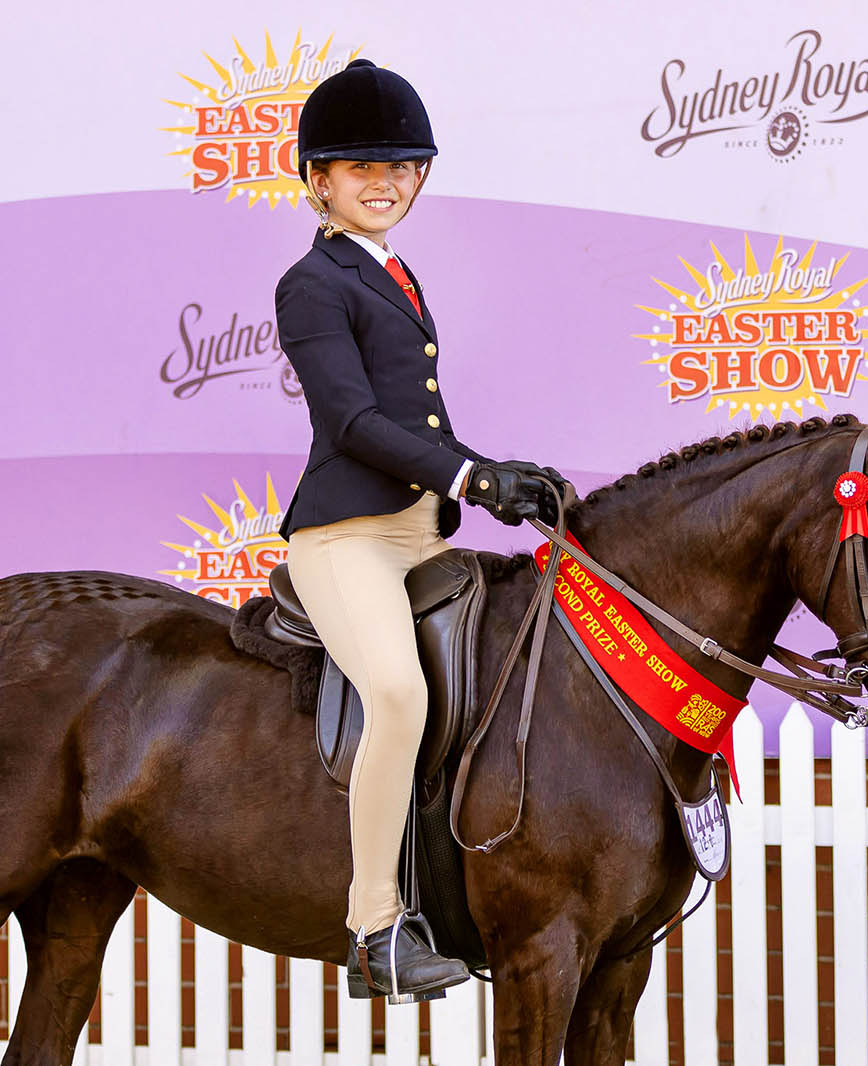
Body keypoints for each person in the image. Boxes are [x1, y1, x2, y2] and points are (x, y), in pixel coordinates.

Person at [275, 58, 564, 1002]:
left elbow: (420, 425)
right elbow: (355, 423)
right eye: (361, 166)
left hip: (419, 528)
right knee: (398, 694)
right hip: (346, 539)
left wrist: (504, 475)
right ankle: (373, 930)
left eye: (402, 164)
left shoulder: (395, 272)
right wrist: (476, 476)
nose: (385, 180)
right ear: (316, 178)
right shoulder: (311, 284)